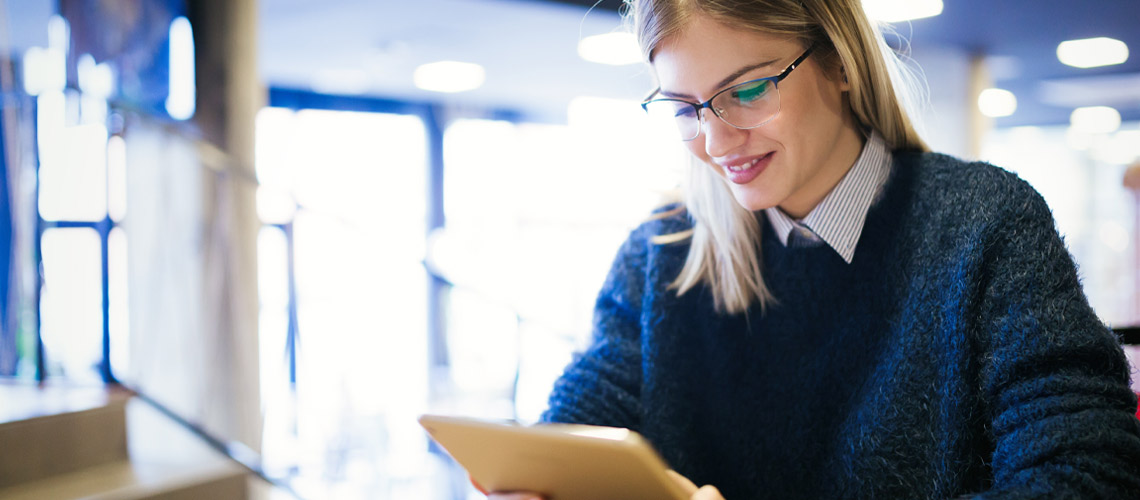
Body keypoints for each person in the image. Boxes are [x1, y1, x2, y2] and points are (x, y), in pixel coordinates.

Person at [491, 0, 1140, 498]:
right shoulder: (663, 252)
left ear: (840, 64)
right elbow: (576, 433)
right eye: (686, 108)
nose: (716, 141)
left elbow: (1085, 472)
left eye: (746, 91)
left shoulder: (984, 225)